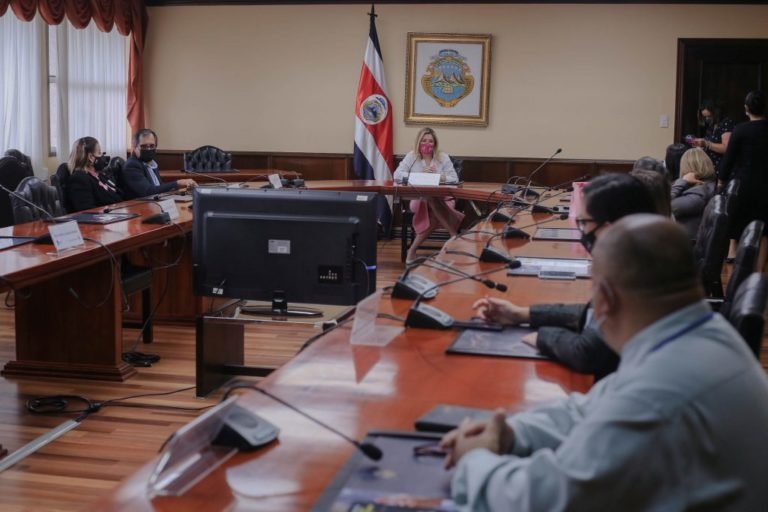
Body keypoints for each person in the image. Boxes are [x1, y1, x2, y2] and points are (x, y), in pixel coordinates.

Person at [442, 215, 768, 511]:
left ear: (606, 300)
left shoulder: (660, 392)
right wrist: (512, 433)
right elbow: (593, 407)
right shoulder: (698, 337)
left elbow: (546, 500)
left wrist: (475, 460)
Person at [473, 174, 656, 380]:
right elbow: (593, 314)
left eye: (584, 223)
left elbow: (588, 352)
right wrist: (522, 314)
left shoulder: (637, 272)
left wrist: (543, 337)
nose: (583, 232)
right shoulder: (644, 254)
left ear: (608, 228)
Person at [394, 127, 463, 263]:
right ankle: (454, 236)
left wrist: (439, 177)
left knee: (432, 205)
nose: (427, 144)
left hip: (444, 199)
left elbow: (454, 178)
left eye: (430, 141)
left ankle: (412, 251)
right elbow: (397, 175)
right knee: (429, 199)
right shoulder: (412, 156)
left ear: (435, 144)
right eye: (424, 141)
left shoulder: (442, 157)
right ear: (419, 143)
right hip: (418, 199)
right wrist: (419, 176)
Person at [719, 90, 768, 271]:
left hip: (744, 184)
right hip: (766, 185)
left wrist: (722, 180)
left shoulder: (740, 129)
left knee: (740, 226)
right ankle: (759, 270)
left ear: (746, 108)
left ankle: (740, 269)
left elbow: (729, 159)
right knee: (765, 231)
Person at [120, 129, 196, 199]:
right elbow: (148, 192)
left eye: (152, 146)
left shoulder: (150, 163)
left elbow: (159, 187)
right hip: (139, 208)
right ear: (135, 147)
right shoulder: (132, 166)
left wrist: (179, 191)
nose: (148, 149)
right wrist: (178, 183)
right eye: (144, 146)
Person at [62, 137, 122, 212]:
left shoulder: (98, 175)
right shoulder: (79, 178)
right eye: (99, 153)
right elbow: (87, 210)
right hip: (102, 221)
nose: (102, 156)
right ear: (91, 157)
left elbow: (117, 195)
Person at [670, 147, 716, 239]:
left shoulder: (698, 193)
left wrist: (682, 181)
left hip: (683, 243)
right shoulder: (707, 184)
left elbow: (663, 206)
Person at [692, 99, 734, 172]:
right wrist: (700, 144)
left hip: (721, 166)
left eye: (709, 116)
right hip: (710, 167)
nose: (707, 119)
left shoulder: (726, 123)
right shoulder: (712, 125)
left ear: (716, 112)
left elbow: (726, 148)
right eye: (705, 117)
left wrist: (706, 144)